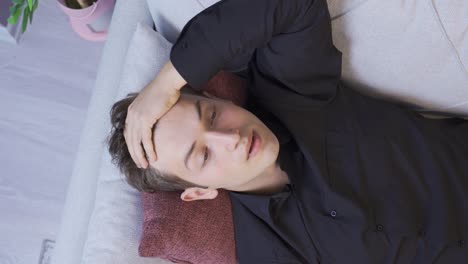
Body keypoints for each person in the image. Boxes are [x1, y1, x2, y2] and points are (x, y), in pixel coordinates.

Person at [108, 0, 468, 262]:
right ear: (198, 193)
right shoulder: (266, 254)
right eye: (203, 155)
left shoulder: (293, 92)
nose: (230, 138)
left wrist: (169, 79)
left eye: (213, 116)